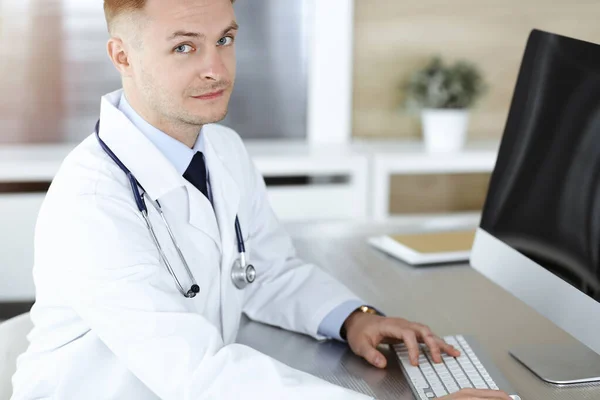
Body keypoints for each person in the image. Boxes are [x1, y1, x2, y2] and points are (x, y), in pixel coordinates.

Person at [10, 1, 512, 399]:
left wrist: (353, 318)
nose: (217, 69)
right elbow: (196, 372)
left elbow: (264, 269)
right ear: (122, 56)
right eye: (185, 48)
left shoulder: (221, 148)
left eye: (224, 40)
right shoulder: (93, 203)